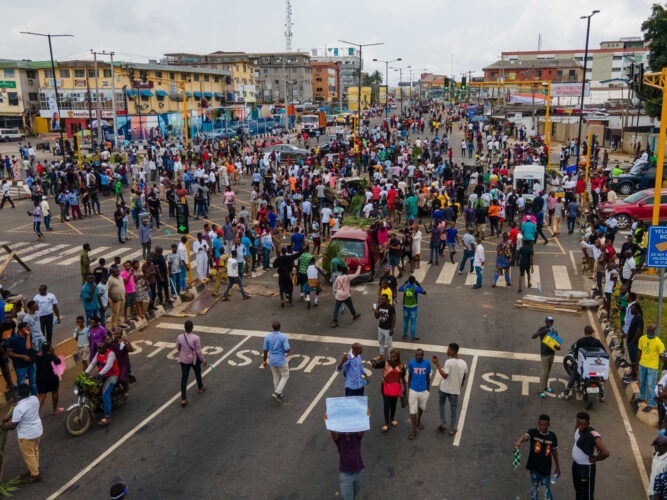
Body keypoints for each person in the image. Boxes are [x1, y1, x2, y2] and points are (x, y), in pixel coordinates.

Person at [512, 414, 561, 500]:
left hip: (545, 469)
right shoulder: (533, 432)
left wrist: (557, 467)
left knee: (546, 491)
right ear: (538, 423)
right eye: (540, 424)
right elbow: (525, 437)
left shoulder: (552, 436)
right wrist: (519, 441)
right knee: (534, 489)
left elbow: (554, 451)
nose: (542, 427)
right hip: (534, 468)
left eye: (544, 425)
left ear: (548, 425)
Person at [2, 384, 42, 483]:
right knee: (34, 450)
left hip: (26, 435)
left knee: (29, 455)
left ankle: (35, 475)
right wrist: (10, 417)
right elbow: (21, 411)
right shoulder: (34, 399)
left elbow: (13, 425)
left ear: (18, 394)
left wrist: (3, 426)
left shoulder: (19, 408)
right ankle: (35, 468)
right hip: (37, 431)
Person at [432, 343, 468, 436]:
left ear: (452, 351)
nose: (446, 351)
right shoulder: (463, 363)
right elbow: (465, 373)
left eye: (448, 349)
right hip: (454, 391)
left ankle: (443, 423)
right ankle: (452, 429)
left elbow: (444, 375)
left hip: (444, 389)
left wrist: (437, 364)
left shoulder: (449, 362)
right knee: (453, 410)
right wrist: (462, 382)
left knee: (441, 404)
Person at [571, 411, 610, 499]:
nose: (580, 426)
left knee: (586, 495)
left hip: (586, 469)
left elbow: (605, 453)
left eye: (583, 424)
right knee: (578, 491)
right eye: (578, 423)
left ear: (588, 424)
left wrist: (594, 459)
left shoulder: (593, 435)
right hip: (576, 466)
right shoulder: (577, 428)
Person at [562, 326, 606, 401]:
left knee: (573, 376)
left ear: (584, 332)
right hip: (594, 365)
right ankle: (602, 396)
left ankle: (566, 392)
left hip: (583, 365)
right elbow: (604, 351)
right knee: (599, 380)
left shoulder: (580, 341)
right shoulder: (597, 341)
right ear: (592, 332)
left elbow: (575, 352)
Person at [370, 348, 407, 433]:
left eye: (394, 357)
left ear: (398, 357)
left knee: (394, 405)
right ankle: (386, 423)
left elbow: (403, 378)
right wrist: (373, 362)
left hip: (395, 388)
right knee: (386, 406)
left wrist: (405, 388)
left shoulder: (401, 366)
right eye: (391, 356)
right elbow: (375, 366)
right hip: (385, 387)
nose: (392, 358)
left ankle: (392, 419)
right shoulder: (385, 362)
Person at [327, 421, 365, 500]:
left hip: (359, 471)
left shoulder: (357, 437)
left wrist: (365, 417)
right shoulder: (339, 440)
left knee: (354, 494)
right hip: (345, 474)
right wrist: (328, 420)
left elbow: (362, 428)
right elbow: (333, 433)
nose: (347, 431)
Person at [85, 341, 119, 425]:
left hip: (112, 375)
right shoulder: (98, 354)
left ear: (105, 348)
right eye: (98, 348)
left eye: (100, 348)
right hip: (102, 375)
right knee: (92, 388)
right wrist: (85, 373)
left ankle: (107, 416)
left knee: (105, 393)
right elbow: (92, 364)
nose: (98, 349)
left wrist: (100, 373)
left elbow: (109, 365)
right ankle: (97, 405)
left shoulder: (111, 354)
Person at [175, 320, 207, 407]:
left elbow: (178, 347)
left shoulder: (180, 337)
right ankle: (200, 388)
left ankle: (183, 398)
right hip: (194, 359)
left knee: (184, 379)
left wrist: (183, 352)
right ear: (192, 328)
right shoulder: (196, 338)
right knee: (197, 373)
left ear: (185, 327)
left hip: (184, 360)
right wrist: (203, 360)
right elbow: (198, 351)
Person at [638, 325, 665, 412]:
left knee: (651, 386)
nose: (649, 332)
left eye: (651, 331)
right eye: (648, 331)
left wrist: (656, 360)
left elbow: (662, 355)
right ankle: (642, 397)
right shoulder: (642, 339)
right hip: (642, 364)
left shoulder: (658, 342)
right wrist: (636, 363)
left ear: (654, 331)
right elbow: (640, 351)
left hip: (652, 368)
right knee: (642, 382)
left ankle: (651, 403)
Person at [262, 320, 290, 403]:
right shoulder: (283, 337)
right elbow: (287, 349)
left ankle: (279, 393)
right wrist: (283, 351)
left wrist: (264, 360)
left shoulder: (267, 337)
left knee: (275, 376)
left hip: (272, 361)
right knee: (285, 375)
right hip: (281, 360)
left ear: (272, 328)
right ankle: (277, 392)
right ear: (280, 327)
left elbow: (265, 350)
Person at [532, 317, 560, 398]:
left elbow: (557, 345)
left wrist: (557, 347)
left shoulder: (554, 332)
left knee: (548, 372)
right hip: (544, 354)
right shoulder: (542, 329)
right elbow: (533, 336)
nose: (550, 324)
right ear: (545, 322)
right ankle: (541, 390)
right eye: (548, 322)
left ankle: (545, 387)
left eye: (551, 322)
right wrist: (542, 332)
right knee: (544, 372)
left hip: (551, 354)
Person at [6, 322, 37, 396]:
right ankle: (23, 398)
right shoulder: (13, 339)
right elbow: (9, 353)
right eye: (27, 327)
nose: (28, 328)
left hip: (31, 363)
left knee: (33, 382)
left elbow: (32, 346)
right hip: (20, 365)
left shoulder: (29, 335)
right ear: (22, 329)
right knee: (21, 383)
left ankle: (34, 397)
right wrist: (23, 356)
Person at [407, 348, 430, 440]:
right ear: (415, 355)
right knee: (413, 410)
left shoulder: (427, 363)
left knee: (421, 407)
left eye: (420, 355)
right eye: (417, 355)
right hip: (413, 390)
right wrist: (409, 387)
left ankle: (419, 420)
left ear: (423, 355)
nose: (418, 357)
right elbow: (410, 375)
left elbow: (428, 376)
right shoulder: (411, 363)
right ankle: (414, 430)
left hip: (424, 390)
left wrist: (428, 389)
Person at [34, 342, 63, 414]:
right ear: (49, 348)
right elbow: (58, 362)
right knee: (55, 391)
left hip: (41, 379)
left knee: (41, 396)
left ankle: (34, 414)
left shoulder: (37, 356)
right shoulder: (51, 356)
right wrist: (53, 353)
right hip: (52, 378)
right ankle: (54, 410)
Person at [331, 263, 362, 328]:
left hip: (339, 295)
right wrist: (359, 267)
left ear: (341, 271)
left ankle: (334, 321)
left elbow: (336, 285)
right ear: (346, 271)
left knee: (336, 309)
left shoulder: (338, 277)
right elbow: (357, 274)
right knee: (350, 306)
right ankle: (354, 315)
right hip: (346, 295)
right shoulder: (348, 277)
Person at [374, 293, 396, 358]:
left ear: (387, 300)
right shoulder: (379, 306)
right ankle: (381, 355)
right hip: (380, 327)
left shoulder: (391, 307)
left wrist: (392, 329)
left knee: (389, 345)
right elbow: (377, 317)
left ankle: (391, 358)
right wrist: (375, 311)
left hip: (388, 329)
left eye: (384, 299)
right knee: (381, 342)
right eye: (381, 299)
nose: (382, 300)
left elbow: (394, 318)